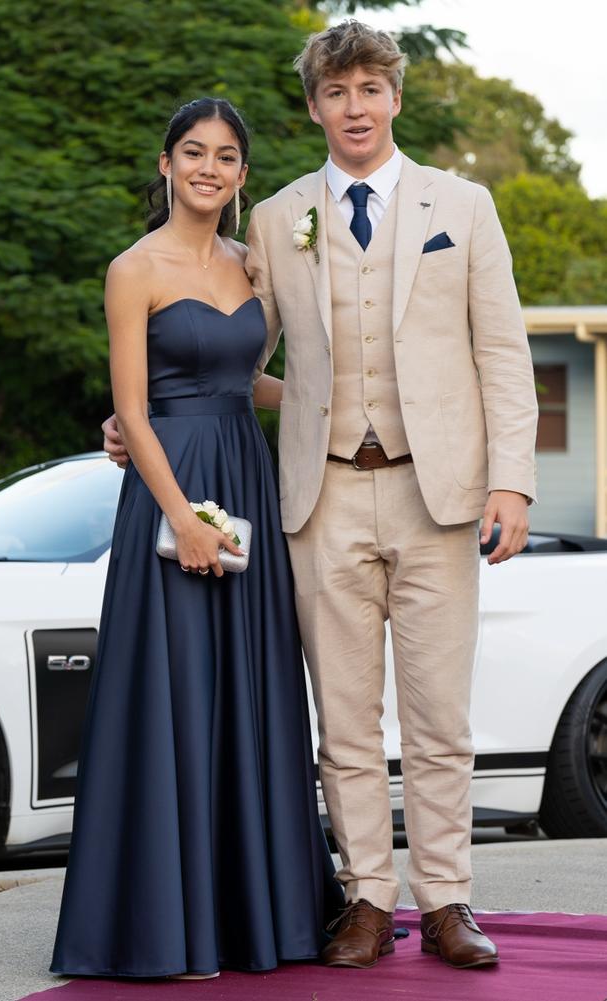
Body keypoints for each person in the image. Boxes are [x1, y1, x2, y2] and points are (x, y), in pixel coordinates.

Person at [104, 20, 538, 972]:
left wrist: (513, 476)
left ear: (394, 99)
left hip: (441, 494)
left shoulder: (462, 206)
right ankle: (368, 902)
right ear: (314, 107)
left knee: (437, 713)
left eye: (370, 89)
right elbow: (230, 350)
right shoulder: (276, 218)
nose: (355, 107)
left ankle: (449, 897)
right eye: (336, 92)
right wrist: (141, 419)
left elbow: (502, 352)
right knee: (341, 715)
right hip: (320, 493)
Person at [50, 97, 342, 982]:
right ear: (168, 163)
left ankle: (258, 917)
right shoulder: (132, 268)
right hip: (169, 489)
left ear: (243, 175)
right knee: (174, 691)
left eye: (225, 156)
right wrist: (180, 516)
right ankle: (165, 928)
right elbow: (131, 411)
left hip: (245, 477)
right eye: (193, 152)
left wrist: (335, 407)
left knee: (249, 688)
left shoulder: (257, 263)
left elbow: (247, 377)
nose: (209, 168)